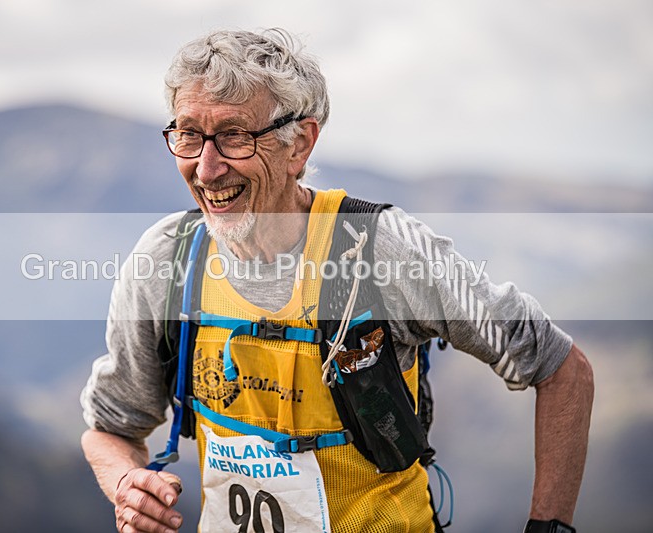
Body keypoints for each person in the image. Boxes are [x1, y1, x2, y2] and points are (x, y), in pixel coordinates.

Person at [80, 28, 594, 533]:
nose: (206, 168)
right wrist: (126, 481)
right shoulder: (166, 259)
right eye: (189, 134)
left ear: (299, 144)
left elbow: (562, 368)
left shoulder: (379, 248)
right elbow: (110, 429)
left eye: (235, 135)